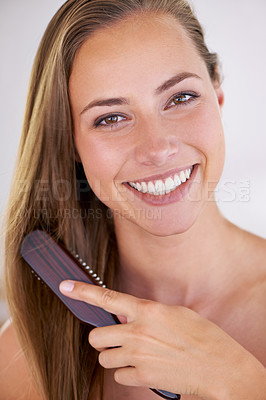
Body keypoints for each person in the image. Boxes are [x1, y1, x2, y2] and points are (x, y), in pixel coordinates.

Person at [0, 0, 265, 399]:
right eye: (110, 118)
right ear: (71, 143)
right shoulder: (22, 354)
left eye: (180, 98)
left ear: (218, 97)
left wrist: (242, 383)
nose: (157, 149)